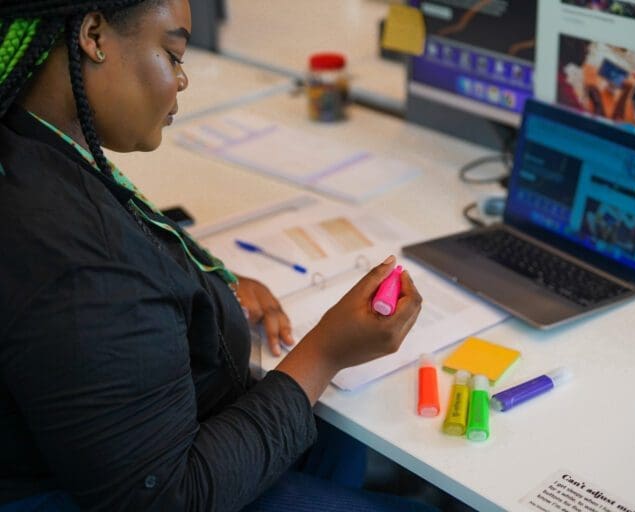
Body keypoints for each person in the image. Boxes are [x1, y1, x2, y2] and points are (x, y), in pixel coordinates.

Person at [0, 1, 429, 511]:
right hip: (144, 490)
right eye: (172, 53)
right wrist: (327, 352)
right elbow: (169, 498)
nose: (181, 81)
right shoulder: (82, 259)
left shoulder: (27, 144)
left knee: (341, 437)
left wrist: (197, 278)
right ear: (93, 35)